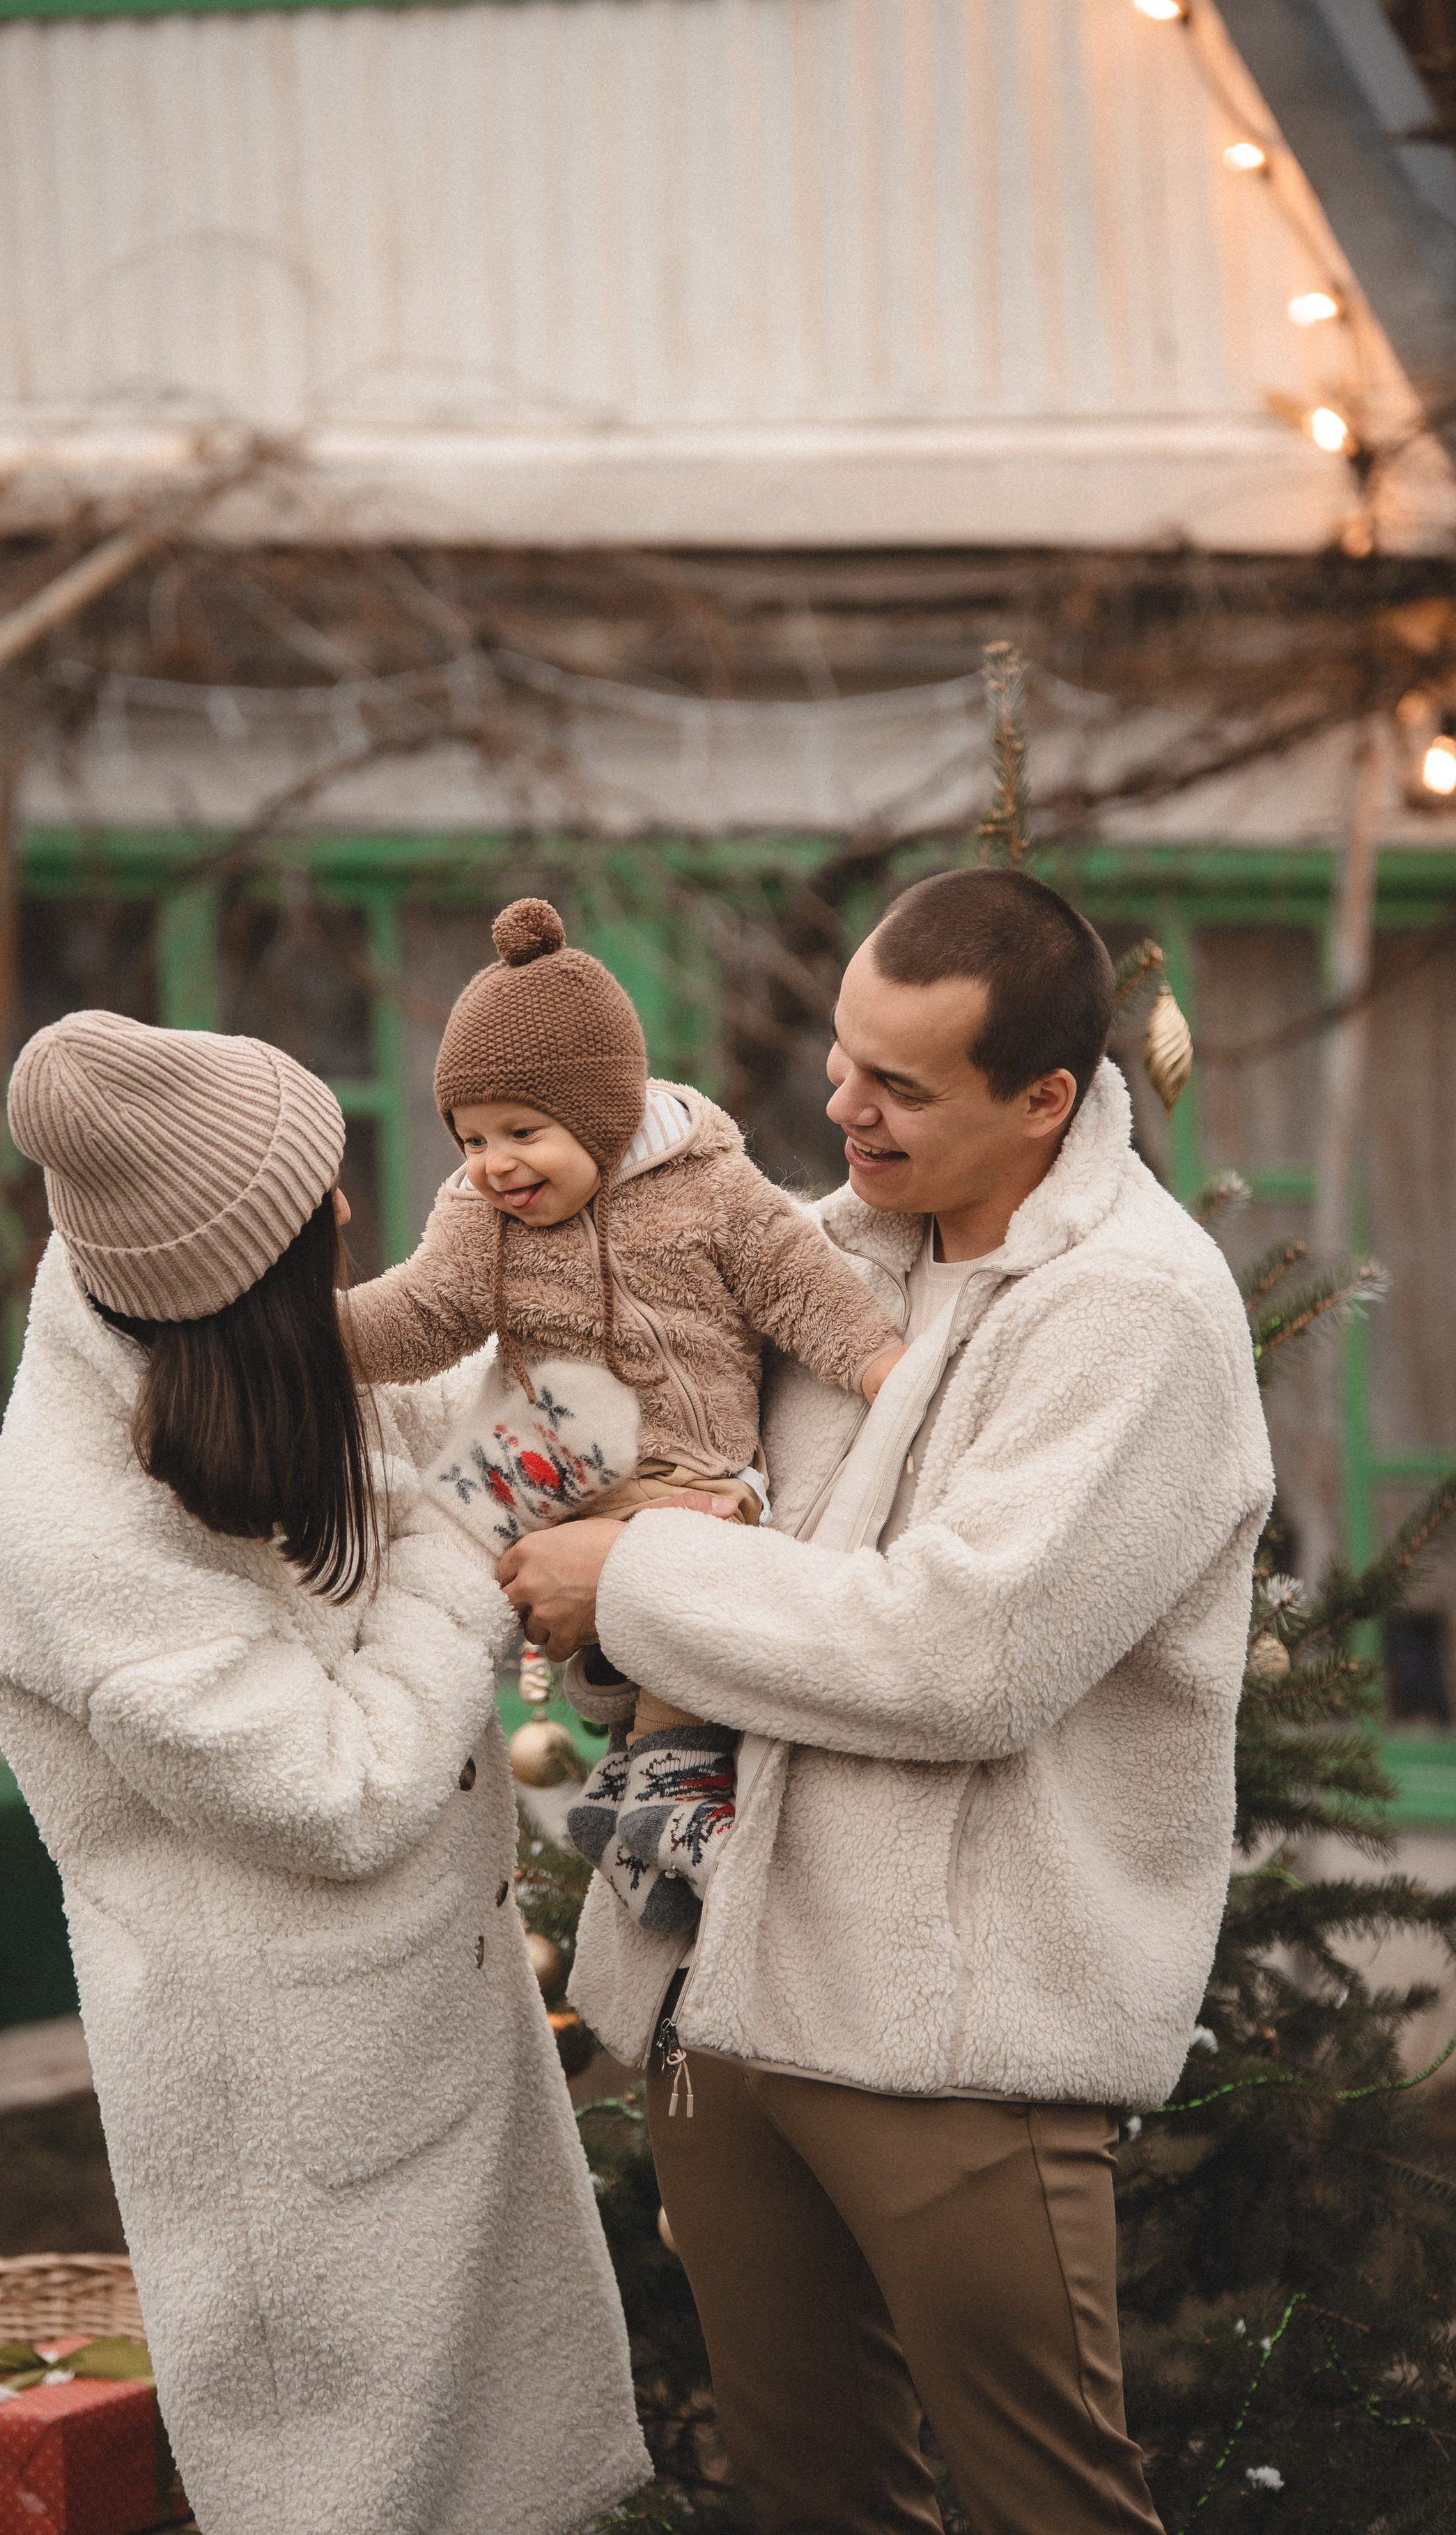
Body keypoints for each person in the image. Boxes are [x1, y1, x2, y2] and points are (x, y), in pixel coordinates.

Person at [497, 868, 1273, 2535]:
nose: (842, 1104)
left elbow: (964, 1657)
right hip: (715, 1993)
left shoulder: (1134, 1312)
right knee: (810, 2497)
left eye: (899, 1085)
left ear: (1043, 1099)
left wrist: (628, 1578)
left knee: (1046, 2503)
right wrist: (600, 1589)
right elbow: (687, 1514)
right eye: (843, 1058)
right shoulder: (808, 1252)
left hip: (951, 2038)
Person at [0, 1008, 649, 2535]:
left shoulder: (223, 1342)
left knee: (512, 2485)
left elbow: (481, 1419)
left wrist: (610, 1309)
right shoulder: (81, 1535)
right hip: (290, 2117)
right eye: (311, 1210)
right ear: (238, 1277)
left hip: (415, 2033)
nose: (347, 1210)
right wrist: (475, 1537)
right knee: (353, 2496)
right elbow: (336, 1790)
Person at [343, 895, 905, 1930]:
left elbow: (799, 1282)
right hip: (551, 1466)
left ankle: (654, 1786)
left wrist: (879, 1365)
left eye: (523, 1132)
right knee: (443, 1543)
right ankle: (610, 1776)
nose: (494, 1163)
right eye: (471, 1138)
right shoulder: (480, 1219)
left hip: (692, 1472)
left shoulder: (711, 1190)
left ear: (602, 1116)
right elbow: (422, 1314)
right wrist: (317, 1342)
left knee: (692, 1586)